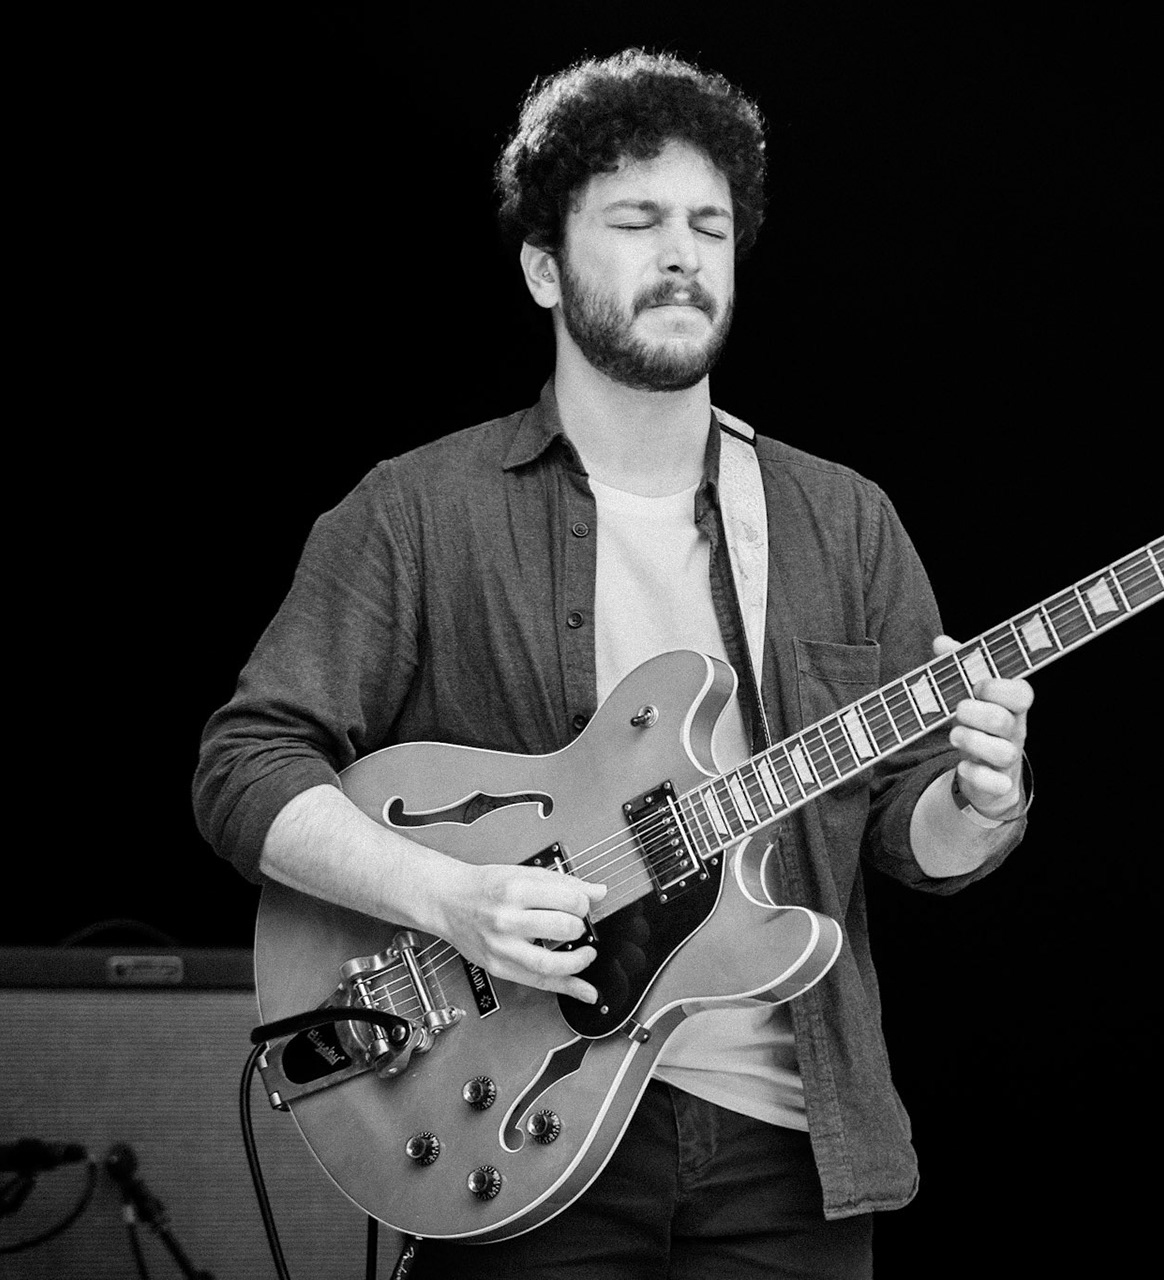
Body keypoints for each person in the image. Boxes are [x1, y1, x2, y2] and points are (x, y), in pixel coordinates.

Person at [192, 50, 1034, 1278]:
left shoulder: (843, 521)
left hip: (792, 1145)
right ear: (544, 266)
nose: (682, 252)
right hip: (519, 1124)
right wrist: (449, 900)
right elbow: (243, 767)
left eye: (709, 225)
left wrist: (981, 798)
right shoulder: (418, 510)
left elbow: (912, 837)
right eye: (637, 221)